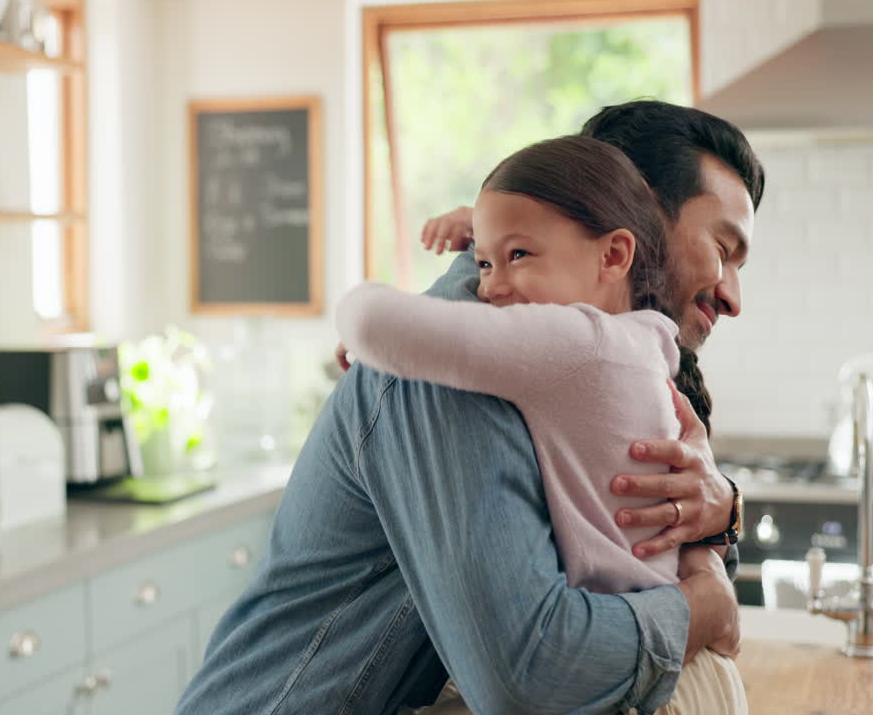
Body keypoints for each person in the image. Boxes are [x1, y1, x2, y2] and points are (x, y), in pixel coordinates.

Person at [175, 101, 763, 714]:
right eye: (723, 248)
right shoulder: (464, 361)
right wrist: (703, 608)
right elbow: (532, 674)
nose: (733, 296)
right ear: (628, 209)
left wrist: (721, 512)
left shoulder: (616, 355)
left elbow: (652, 562)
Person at [336, 134, 746, 714]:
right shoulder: (645, 348)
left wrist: (360, 324)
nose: (486, 288)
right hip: (653, 666)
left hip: (622, 677)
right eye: (722, 248)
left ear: (615, 252)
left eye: (518, 255)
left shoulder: (577, 342)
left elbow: (375, 323)